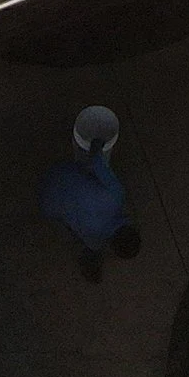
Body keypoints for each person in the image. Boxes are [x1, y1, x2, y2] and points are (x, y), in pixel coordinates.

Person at [37, 105, 142, 281]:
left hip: (58, 172)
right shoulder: (94, 238)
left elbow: (96, 161)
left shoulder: (116, 194)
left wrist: (97, 142)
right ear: (111, 246)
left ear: (132, 227)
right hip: (47, 204)